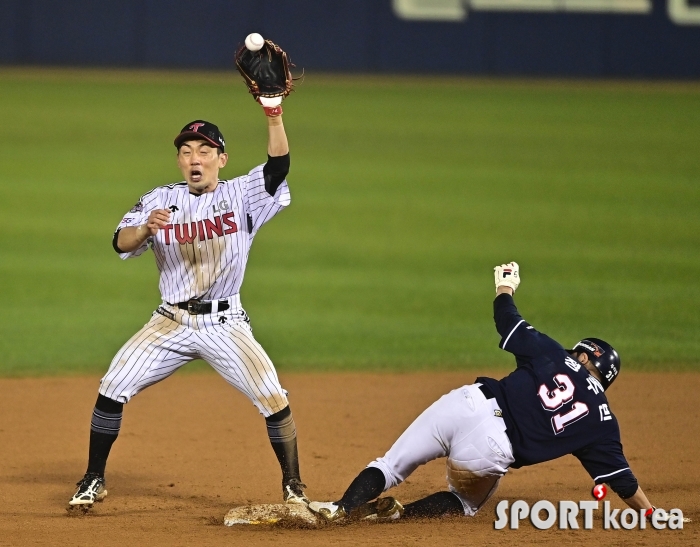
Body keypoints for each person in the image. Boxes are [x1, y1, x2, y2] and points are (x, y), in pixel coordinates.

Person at [68, 105, 309, 509]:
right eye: (186, 151)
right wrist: (146, 228)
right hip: (170, 321)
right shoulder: (159, 199)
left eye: (204, 150)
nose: (194, 159)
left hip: (225, 322)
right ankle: (93, 478)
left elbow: (278, 165)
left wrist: (274, 113)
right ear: (179, 160)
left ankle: (293, 484)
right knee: (112, 386)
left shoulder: (243, 194)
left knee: (272, 395)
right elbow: (120, 243)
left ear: (221, 159)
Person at [308, 262, 655, 522]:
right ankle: (397, 516)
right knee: (464, 502)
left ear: (581, 353)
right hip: (489, 451)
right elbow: (622, 482)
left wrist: (505, 286)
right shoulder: (602, 421)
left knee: (390, 466)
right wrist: (651, 513)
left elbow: (508, 321)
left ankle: (341, 508)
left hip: (468, 403)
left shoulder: (554, 354)